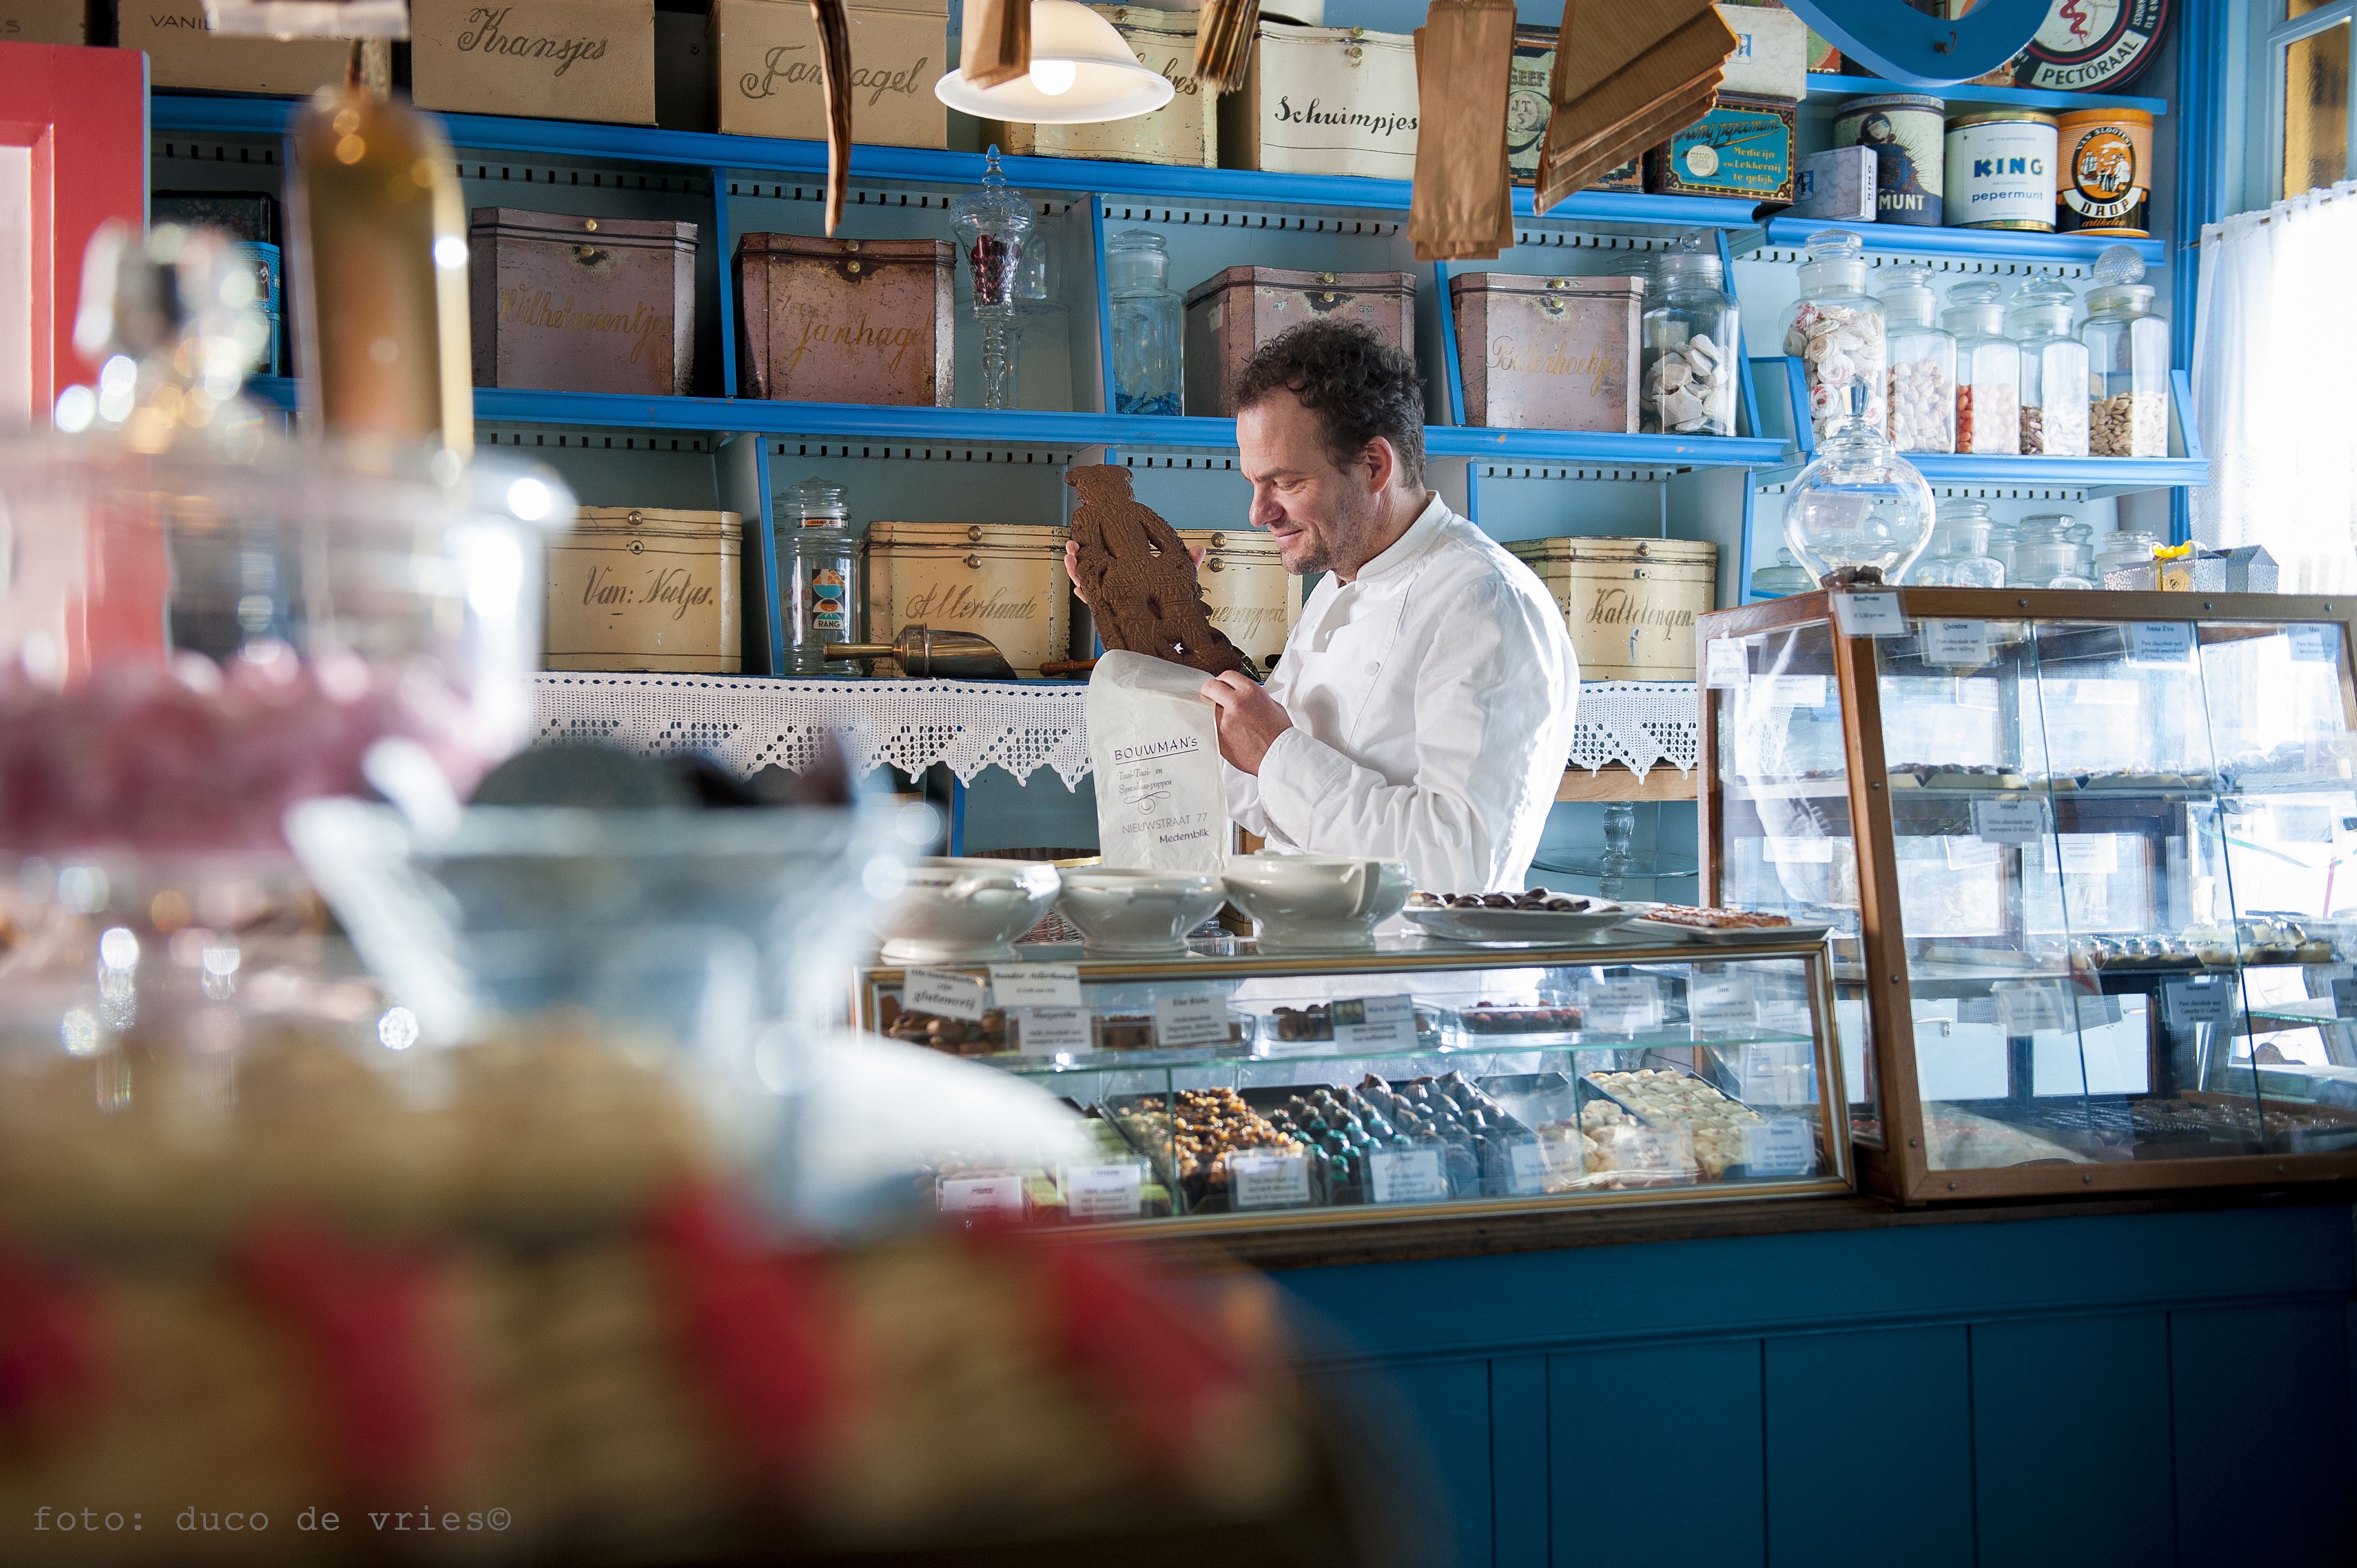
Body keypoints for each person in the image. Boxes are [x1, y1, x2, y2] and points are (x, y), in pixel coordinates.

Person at [1066, 320, 1578, 893]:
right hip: (1307, 961)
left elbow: (1460, 865)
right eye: (1254, 483)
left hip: (1411, 976)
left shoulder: (1483, 602)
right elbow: (1264, 797)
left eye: (1284, 482)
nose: (1258, 513)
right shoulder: (1338, 582)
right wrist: (1146, 628)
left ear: (1374, 466)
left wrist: (1277, 752)